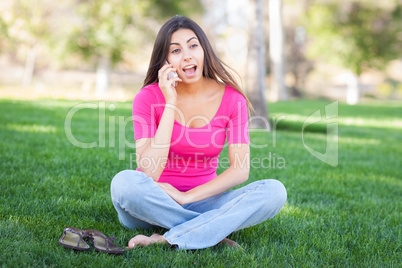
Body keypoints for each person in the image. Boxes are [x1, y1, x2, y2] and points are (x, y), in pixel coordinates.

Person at [110, 15, 286, 250]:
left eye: (193, 45)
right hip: (152, 203)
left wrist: (187, 198)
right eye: (176, 50)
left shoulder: (233, 100)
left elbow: (240, 170)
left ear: (205, 50)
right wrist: (169, 102)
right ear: (165, 60)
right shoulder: (148, 97)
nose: (187, 55)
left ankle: (171, 236)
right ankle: (211, 231)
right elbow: (149, 171)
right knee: (123, 184)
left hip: (205, 201)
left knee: (275, 191)